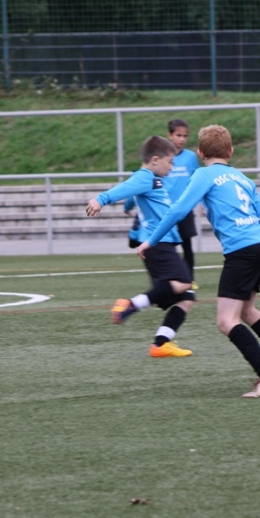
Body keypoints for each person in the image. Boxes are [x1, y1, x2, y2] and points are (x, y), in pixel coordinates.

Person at [137, 125, 260, 398]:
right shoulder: (242, 178)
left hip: (241, 251)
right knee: (248, 311)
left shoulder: (203, 174)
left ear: (200, 152)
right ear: (230, 151)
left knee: (226, 320)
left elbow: (178, 210)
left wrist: (151, 240)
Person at [86, 136, 196, 358]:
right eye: (170, 162)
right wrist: (101, 199)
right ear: (155, 160)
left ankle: (161, 344)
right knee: (185, 283)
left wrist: (128, 205)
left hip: (162, 243)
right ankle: (130, 305)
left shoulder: (151, 179)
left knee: (187, 297)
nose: (172, 167)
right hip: (158, 243)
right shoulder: (145, 177)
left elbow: (132, 194)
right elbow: (126, 187)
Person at [165, 119, 203, 286]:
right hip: (166, 210)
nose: (182, 139)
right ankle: (172, 279)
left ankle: (189, 279)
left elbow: (198, 181)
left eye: (185, 136)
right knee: (169, 247)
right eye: (178, 135)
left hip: (185, 209)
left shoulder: (190, 157)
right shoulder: (163, 156)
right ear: (170, 135)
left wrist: (202, 203)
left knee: (187, 246)